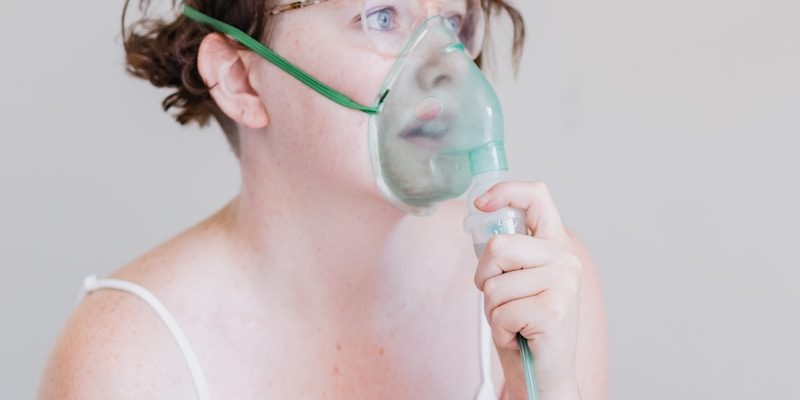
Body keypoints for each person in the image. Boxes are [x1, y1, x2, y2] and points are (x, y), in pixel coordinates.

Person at [38, 0, 609, 399]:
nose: (444, 67)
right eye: (380, 16)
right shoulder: (127, 360)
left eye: (454, 22)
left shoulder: (538, 290)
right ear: (241, 78)